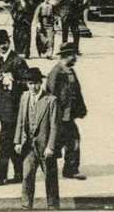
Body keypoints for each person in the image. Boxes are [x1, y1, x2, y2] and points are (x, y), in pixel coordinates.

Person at [0, 30, 28, 187]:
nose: (2, 46)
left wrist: (14, 82)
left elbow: (29, 84)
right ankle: (19, 173)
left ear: (9, 42)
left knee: (5, 142)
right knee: (9, 143)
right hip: (3, 111)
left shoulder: (17, 61)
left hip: (14, 110)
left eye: (4, 42)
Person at [14, 67, 60, 210]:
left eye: (35, 83)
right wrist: (17, 141)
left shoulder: (51, 100)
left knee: (50, 178)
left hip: (45, 147)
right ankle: (26, 206)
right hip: (29, 146)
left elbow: (54, 126)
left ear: (41, 82)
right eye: (30, 83)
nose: (33, 87)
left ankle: (53, 206)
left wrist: (50, 146)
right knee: (27, 175)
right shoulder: (24, 97)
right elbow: (20, 121)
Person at [45, 44, 87, 180]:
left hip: (68, 115)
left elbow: (76, 92)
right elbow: (50, 95)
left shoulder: (69, 71)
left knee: (72, 140)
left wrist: (81, 109)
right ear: (67, 56)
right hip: (59, 116)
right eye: (73, 55)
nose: (75, 58)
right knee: (56, 142)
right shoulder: (56, 73)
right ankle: (56, 169)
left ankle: (70, 169)